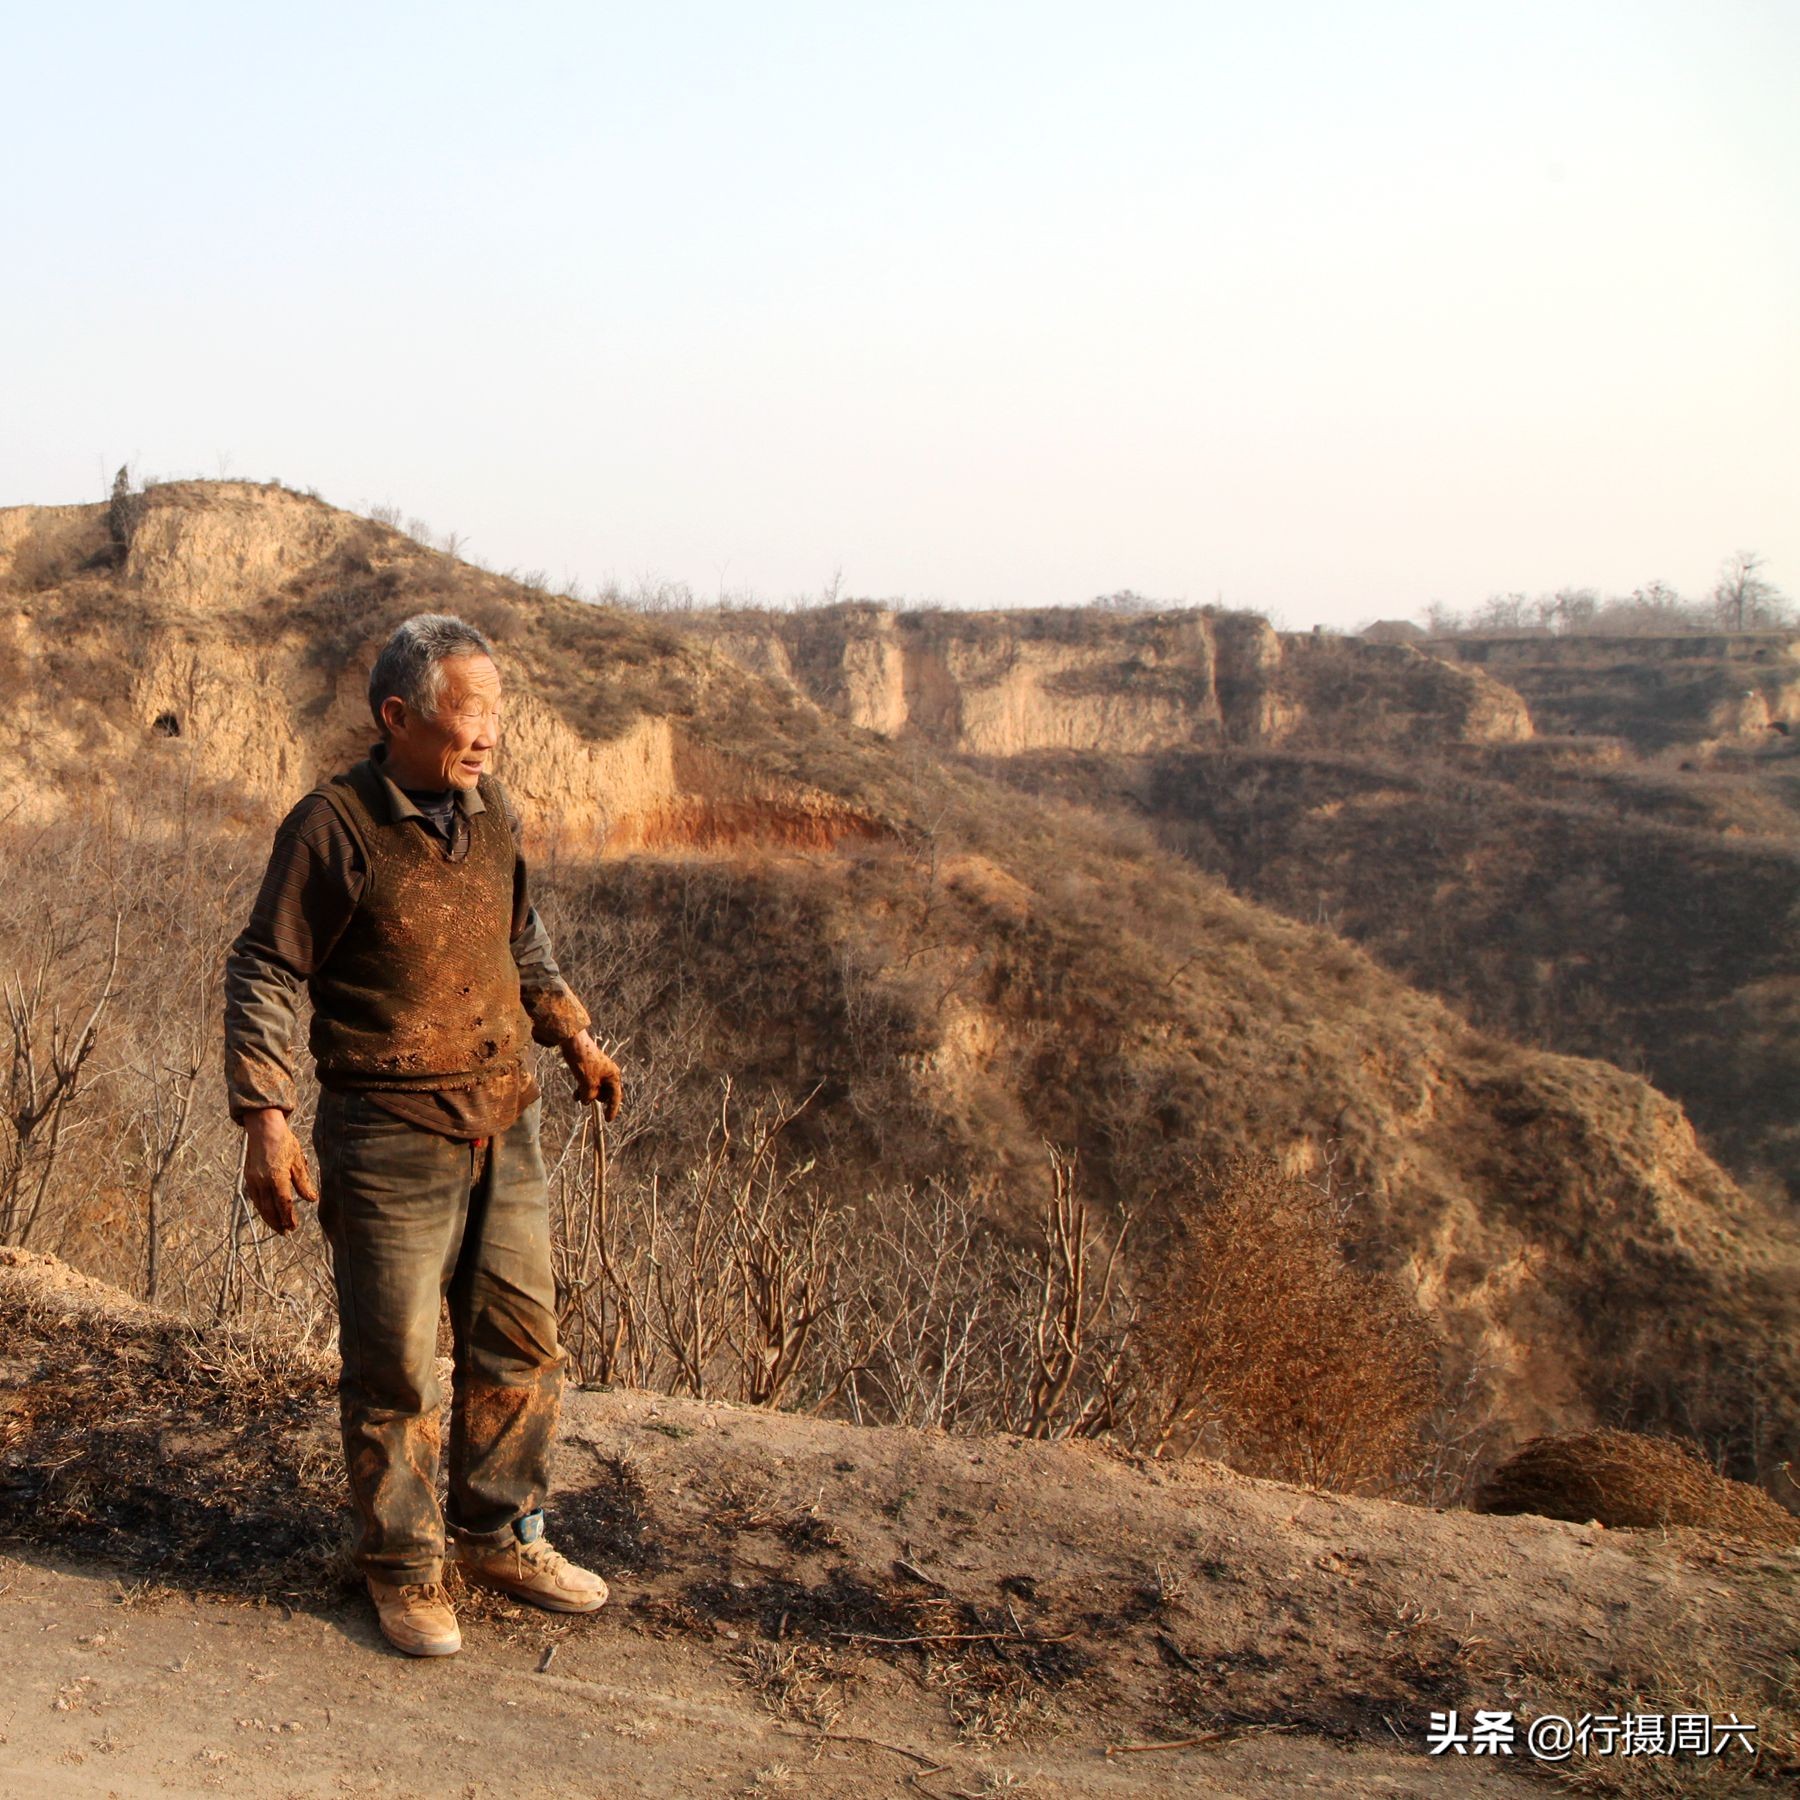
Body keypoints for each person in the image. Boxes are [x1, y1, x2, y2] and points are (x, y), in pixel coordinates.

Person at [223, 612, 623, 1657]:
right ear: (397, 716)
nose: (487, 734)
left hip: (504, 1116)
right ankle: (402, 1566)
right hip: (388, 1129)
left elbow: (518, 936)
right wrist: (264, 1118)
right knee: (395, 1366)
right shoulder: (333, 827)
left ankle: (499, 1532)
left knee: (520, 1344)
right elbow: (267, 966)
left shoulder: (491, 812)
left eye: (496, 711)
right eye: (467, 713)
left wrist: (574, 1034)